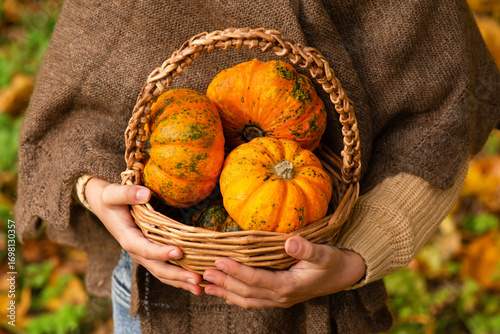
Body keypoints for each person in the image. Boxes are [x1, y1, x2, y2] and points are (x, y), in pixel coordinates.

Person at [15, 0, 500, 333]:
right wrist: (97, 192)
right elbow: (79, 102)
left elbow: (442, 119)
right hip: (164, 287)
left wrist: (360, 254)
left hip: (326, 291)